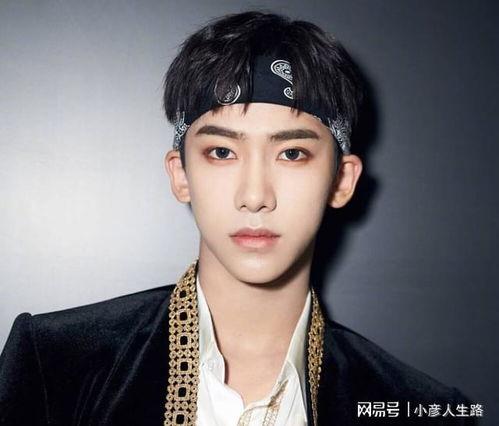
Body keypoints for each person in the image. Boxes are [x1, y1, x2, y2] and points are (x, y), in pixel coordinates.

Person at [0, 10, 477, 426]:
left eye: (292, 153)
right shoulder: (56, 363)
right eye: (222, 152)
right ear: (180, 173)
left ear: (341, 180)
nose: (254, 196)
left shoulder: (417, 407)